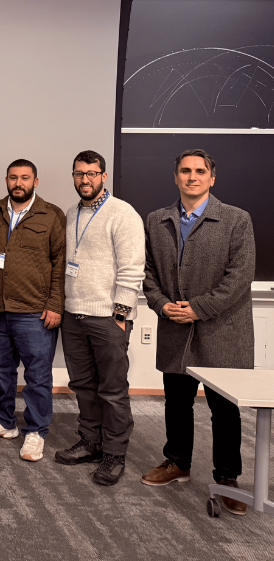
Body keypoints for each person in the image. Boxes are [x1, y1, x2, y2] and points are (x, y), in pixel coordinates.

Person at [140, 149, 255, 516]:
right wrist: (161, 304)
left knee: (224, 411)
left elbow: (240, 276)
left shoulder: (236, 220)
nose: (192, 176)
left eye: (199, 171)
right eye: (185, 171)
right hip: (175, 327)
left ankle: (227, 478)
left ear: (212, 178)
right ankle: (177, 463)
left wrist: (199, 308)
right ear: (175, 177)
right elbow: (147, 273)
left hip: (223, 330)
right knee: (177, 403)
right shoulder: (157, 220)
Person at [53, 150, 145, 486]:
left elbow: (133, 268)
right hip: (74, 315)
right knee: (83, 386)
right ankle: (90, 442)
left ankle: (114, 454)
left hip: (108, 317)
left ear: (103, 176)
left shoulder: (123, 214)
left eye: (92, 173)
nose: (85, 179)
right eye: (79, 174)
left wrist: (121, 313)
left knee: (112, 390)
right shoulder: (70, 213)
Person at [0, 159, 66, 462]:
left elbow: (60, 264)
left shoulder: (52, 215)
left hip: (35, 312)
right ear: (6, 180)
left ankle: (36, 431)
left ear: (35, 182)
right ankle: (3, 421)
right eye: (13, 178)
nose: (19, 183)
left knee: (38, 376)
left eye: (25, 178)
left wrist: (55, 304)